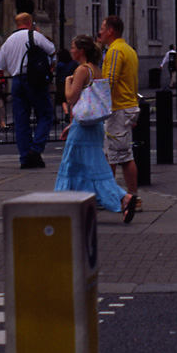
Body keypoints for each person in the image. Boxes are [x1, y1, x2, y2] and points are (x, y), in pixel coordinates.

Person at [55, 34, 135, 222]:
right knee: (90, 166)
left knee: (73, 164)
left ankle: (63, 204)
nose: (71, 50)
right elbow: (88, 103)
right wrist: (71, 125)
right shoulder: (96, 69)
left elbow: (71, 98)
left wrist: (67, 82)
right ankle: (81, 203)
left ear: (81, 51)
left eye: (74, 47)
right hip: (92, 125)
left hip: (83, 127)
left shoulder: (82, 70)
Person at [0, 11, 56, 168]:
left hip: (16, 81)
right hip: (34, 80)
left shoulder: (8, 41)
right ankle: (35, 150)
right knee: (46, 114)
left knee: (21, 120)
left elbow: (0, 65)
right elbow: (51, 50)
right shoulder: (34, 36)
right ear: (30, 23)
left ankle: (25, 158)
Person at [99, 15, 140, 208]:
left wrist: (98, 101)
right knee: (111, 153)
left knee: (123, 156)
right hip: (125, 105)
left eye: (102, 28)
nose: (99, 32)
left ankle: (133, 197)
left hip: (119, 107)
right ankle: (108, 195)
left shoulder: (115, 51)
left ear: (110, 31)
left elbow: (110, 79)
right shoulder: (129, 49)